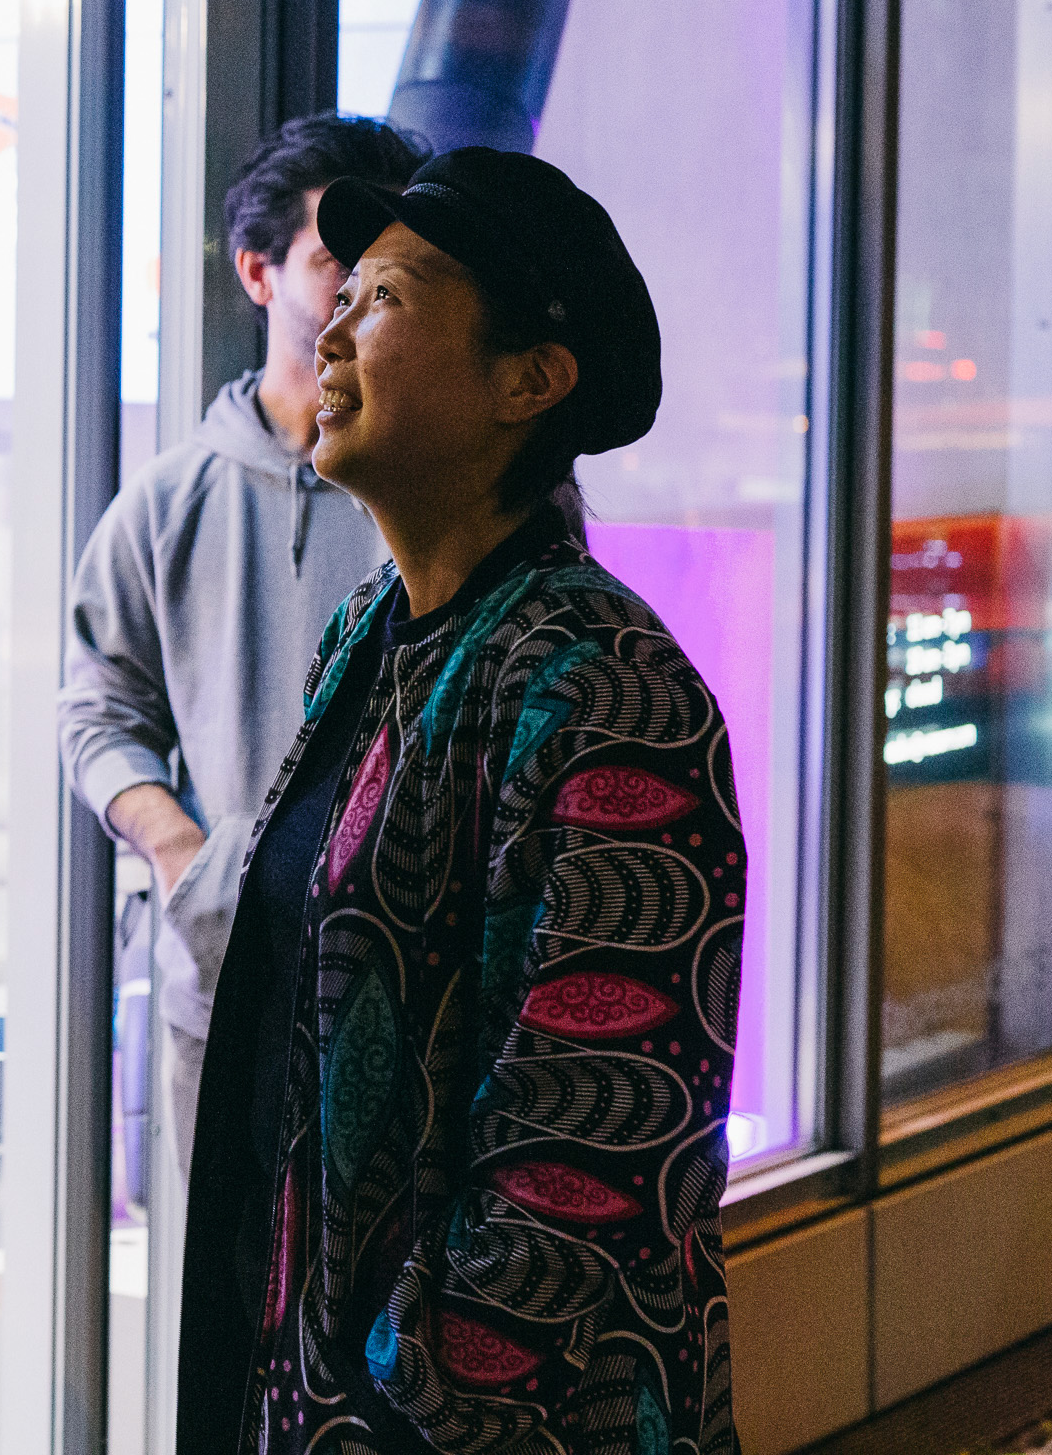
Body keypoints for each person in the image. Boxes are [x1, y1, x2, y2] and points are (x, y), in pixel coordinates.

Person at [177, 148, 742, 1454]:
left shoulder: (604, 684)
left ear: (527, 381)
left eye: (382, 299)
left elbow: (593, 1149)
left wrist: (413, 1388)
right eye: (341, 292)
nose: (330, 329)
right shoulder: (376, 633)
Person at [56, 115, 424, 1173]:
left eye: (393, 262)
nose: (366, 286)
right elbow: (94, 704)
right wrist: (182, 854)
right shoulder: (171, 501)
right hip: (226, 992)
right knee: (234, 1318)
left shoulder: (441, 490)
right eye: (335, 258)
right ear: (257, 273)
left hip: (420, 998)